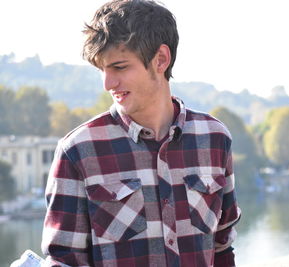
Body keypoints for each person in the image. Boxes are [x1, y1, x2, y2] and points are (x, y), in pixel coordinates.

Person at [41, 0, 241, 266]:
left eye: (119, 67)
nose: (108, 83)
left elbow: (222, 247)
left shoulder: (215, 139)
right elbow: (64, 260)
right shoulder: (78, 150)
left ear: (160, 60)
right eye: (102, 69)